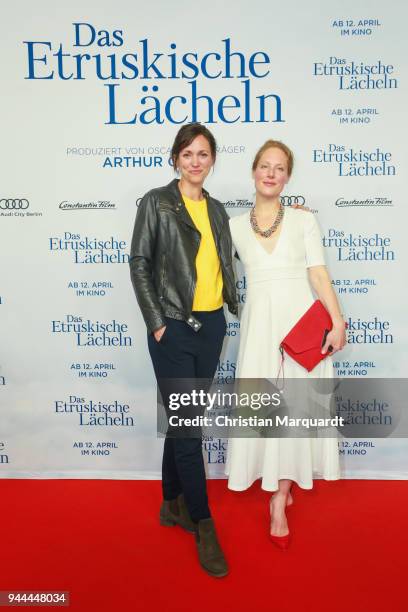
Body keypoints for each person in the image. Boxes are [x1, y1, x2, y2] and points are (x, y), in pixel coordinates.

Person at [226, 140, 346, 549]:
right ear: (254, 171)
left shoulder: (303, 221)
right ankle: (279, 483)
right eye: (264, 165)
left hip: (300, 327)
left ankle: (279, 497)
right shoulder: (233, 226)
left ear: (288, 177)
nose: (271, 173)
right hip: (260, 328)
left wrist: (338, 321)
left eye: (279, 168)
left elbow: (318, 275)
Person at [129, 123, 237, 577]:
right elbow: (139, 263)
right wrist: (157, 323)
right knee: (190, 427)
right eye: (188, 153)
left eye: (204, 154)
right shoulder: (157, 202)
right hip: (172, 327)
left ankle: (170, 503)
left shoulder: (216, 210)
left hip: (212, 328)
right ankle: (202, 522)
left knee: (181, 421)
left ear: (213, 160)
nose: (196, 161)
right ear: (175, 158)